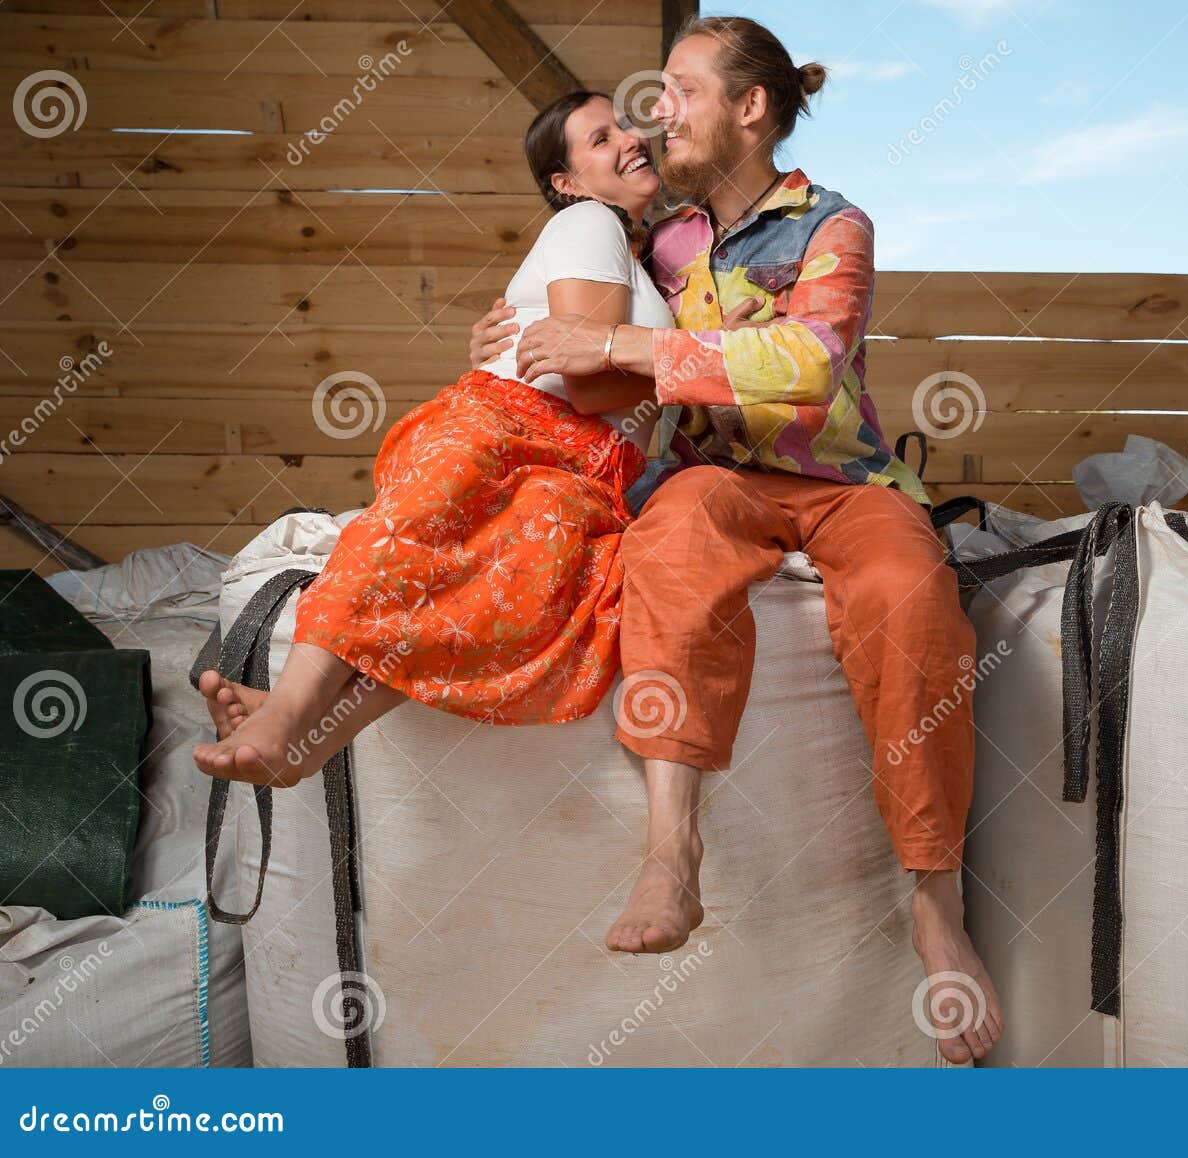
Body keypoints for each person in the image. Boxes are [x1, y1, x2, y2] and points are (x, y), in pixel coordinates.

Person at [471, 16, 1004, 1063]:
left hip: (842, 482)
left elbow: (806, 360)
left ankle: (936, 906)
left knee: (908, 592)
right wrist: (501, 329)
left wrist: (620, 341)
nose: (654, 110)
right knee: (667, 545)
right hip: (717, 476)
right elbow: (569, 292)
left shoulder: (832, 226)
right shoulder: (658, 241)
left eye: (677, 91)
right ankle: (672, 850)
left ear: (747, 109)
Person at [193, 92, 685, 786]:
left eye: (623, 127)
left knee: (511, 589)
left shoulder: (638, 259)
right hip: (508, 422)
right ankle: (287, 716)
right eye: (600, 139)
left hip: (584, 466)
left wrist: (670, 357)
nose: (630, 140)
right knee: (411, 530)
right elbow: (588, 381)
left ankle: (309, 734)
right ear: (566, 184)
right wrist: (687, 367)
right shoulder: (587, 222)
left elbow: (596, 364)